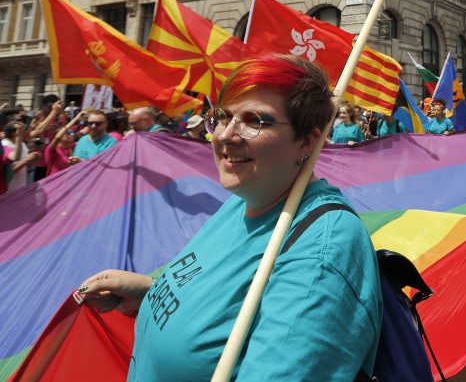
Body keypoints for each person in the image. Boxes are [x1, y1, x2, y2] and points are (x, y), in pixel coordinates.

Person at [78, 54, 382, 380]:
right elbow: (229, 306)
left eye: (254, 121)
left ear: (308, 139)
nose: (225, 135)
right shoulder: (244, 197)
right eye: (222, 117)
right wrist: (149, 291)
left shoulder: (324, 250)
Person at [2, 121, 37, 191]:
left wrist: (33, 158)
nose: (27, 132)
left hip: (21, 187)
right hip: (9, 190)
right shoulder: (5, 145)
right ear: (14, 133)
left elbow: (26, 164)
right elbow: (9, 172)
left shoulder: (22, 144)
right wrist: (26, 160)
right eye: (23, 130)